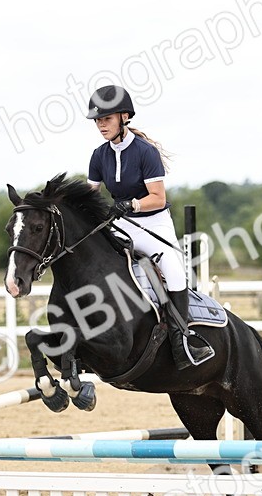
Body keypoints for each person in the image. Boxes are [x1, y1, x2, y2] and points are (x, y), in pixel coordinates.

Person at [84, 85, 215, 369]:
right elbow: (90, 196)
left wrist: (130, 204)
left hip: (152, 223)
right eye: (97, 120)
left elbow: (158, 198)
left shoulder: (145, 152)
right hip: (120, 225)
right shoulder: (98, 155)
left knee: (174, 271)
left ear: (124, 117)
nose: (100, 125)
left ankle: (182, 340)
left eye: (106, 118)